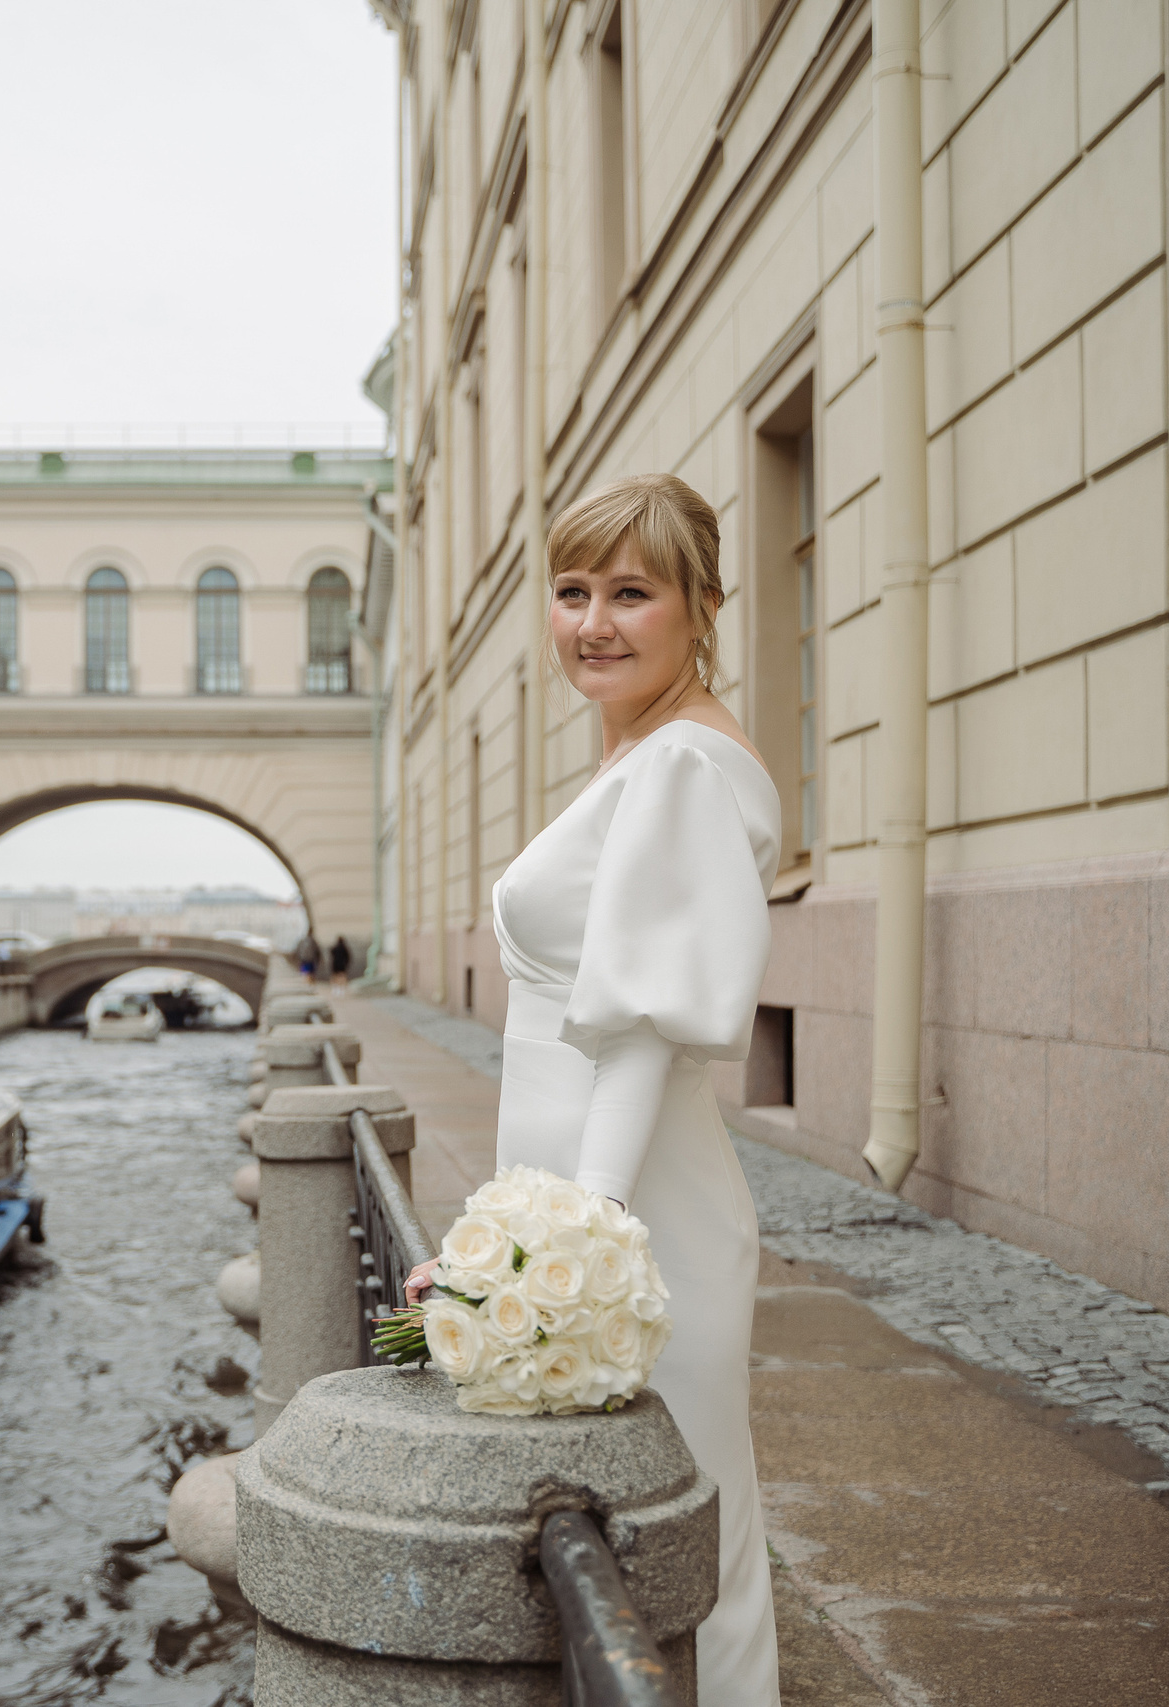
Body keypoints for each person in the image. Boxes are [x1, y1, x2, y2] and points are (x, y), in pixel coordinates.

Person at [406, 473, 781, 1704]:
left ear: (702, 608)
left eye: (632, 593)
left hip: (628, 1219)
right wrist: (505, 1239)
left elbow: (641, 1037)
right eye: (572, 593)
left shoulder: (677, 765)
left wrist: (562, 1249)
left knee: (684, 1546)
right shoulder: (644, 760)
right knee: (652, 1543)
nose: (593, 623)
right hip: (598, 1206)